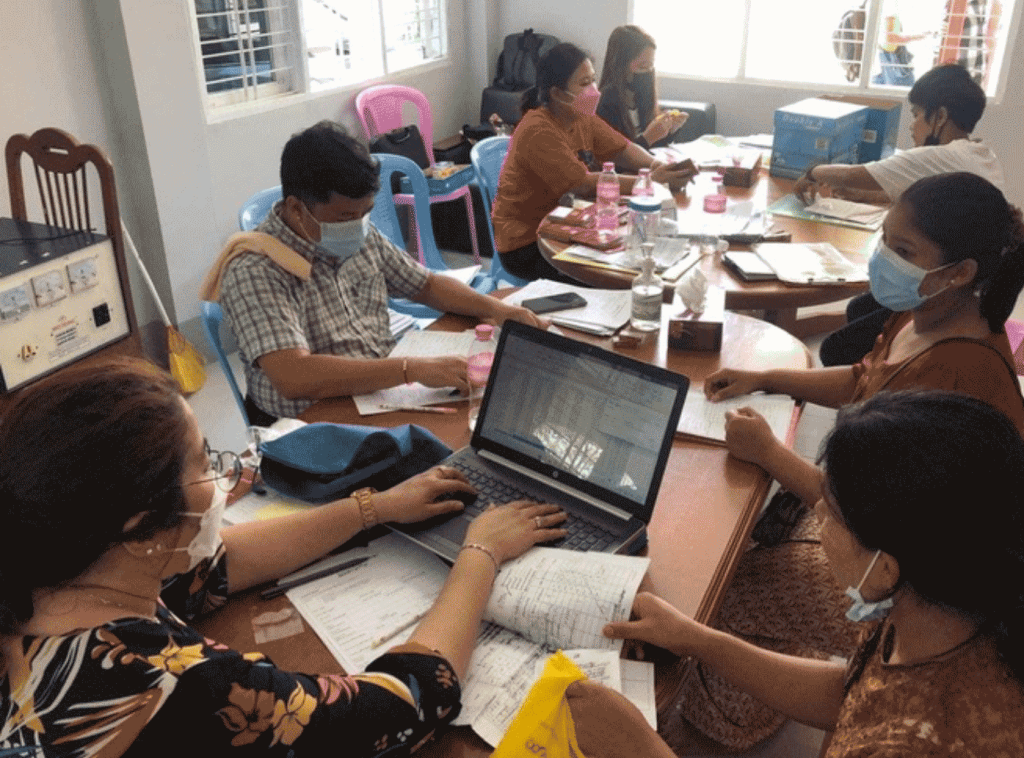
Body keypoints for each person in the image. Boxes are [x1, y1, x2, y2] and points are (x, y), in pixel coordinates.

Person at [0, 357, 567, 756]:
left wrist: (374, 507)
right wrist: (480, 552)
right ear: (140, 526)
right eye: (204, 463)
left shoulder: (57, 570)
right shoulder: (179, 688)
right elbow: (400, 707)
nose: (223, 478)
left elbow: (214, 567)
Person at [670, 171, 1024, 750]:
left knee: (741, 582)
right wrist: (768, 376)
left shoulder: (958, 371)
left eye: (903, 250)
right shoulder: (922, 316)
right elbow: (863, 378)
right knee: (756, 539)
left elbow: (868, 512)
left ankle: (723, 727)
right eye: (884, 239)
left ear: (959, 272)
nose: (884, 257)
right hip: (896, 543)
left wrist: (770, 453)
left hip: (939, 571)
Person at [567, 390, 1024, 757]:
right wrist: (696, 638)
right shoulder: (939, 609)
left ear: (886, 567)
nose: (817, 514)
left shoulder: (924, 739)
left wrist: (642, 749)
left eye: (833, 512)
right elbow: (853, 695)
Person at [210, 121, 546, 425]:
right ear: (297, 209)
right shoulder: (255, 268)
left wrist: (498, 309)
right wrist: (409, 369)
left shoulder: (357, 232)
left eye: (365, 212)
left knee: (492, 409)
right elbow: (294, 376)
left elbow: (425, 285)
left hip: (380, 390)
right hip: (312, 421)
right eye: (345, 217)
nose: (357, 225)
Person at [794, 64, 1003, 365]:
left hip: (943, 289)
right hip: (966, 284)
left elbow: (855, 174)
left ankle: (873, 375)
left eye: (917, 114)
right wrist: (864, 195)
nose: (912, 125)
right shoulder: (980, 154)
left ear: (940, 116)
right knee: (859, 308)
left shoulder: (939, 156)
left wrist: (812, 172)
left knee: (836, 350)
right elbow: (922, 198)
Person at [491, 42, 697, 282]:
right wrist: (649, 181)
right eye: (584, 83)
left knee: (640, 258)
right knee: (622, 276)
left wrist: (655, 165)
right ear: (557, 93)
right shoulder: (537, 129)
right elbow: (582, 184)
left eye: (593, 80)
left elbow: (623, 149)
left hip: (569, 226)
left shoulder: (581, 117)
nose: (593, 90)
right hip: (528, 243)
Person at [596, 25, 688, 150]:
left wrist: (670, 130)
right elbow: (617, 156)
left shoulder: (641, 97)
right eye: (643, 67)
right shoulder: (606, 103)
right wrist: (648, 138)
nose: (648, 72)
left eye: (651, 66)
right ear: (621, 65)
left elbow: (653, 146)